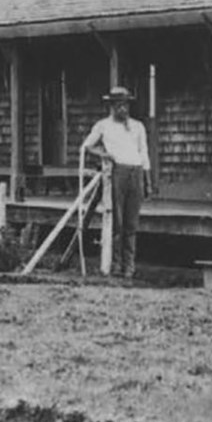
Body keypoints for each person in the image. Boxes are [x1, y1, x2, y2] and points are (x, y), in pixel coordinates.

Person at [79, 86, 151, 278]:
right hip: (117, 172)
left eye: (126, 105)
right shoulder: (103, 125)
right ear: (111, 106)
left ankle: (130, 266)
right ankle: (117, 264)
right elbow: (87, 146)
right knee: (117, 222)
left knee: (131, 223)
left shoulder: (138, 126)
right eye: (119, 105)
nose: (123, 109)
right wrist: (103, 153)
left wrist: (147, 179)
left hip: (135, 173)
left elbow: (144, 153)